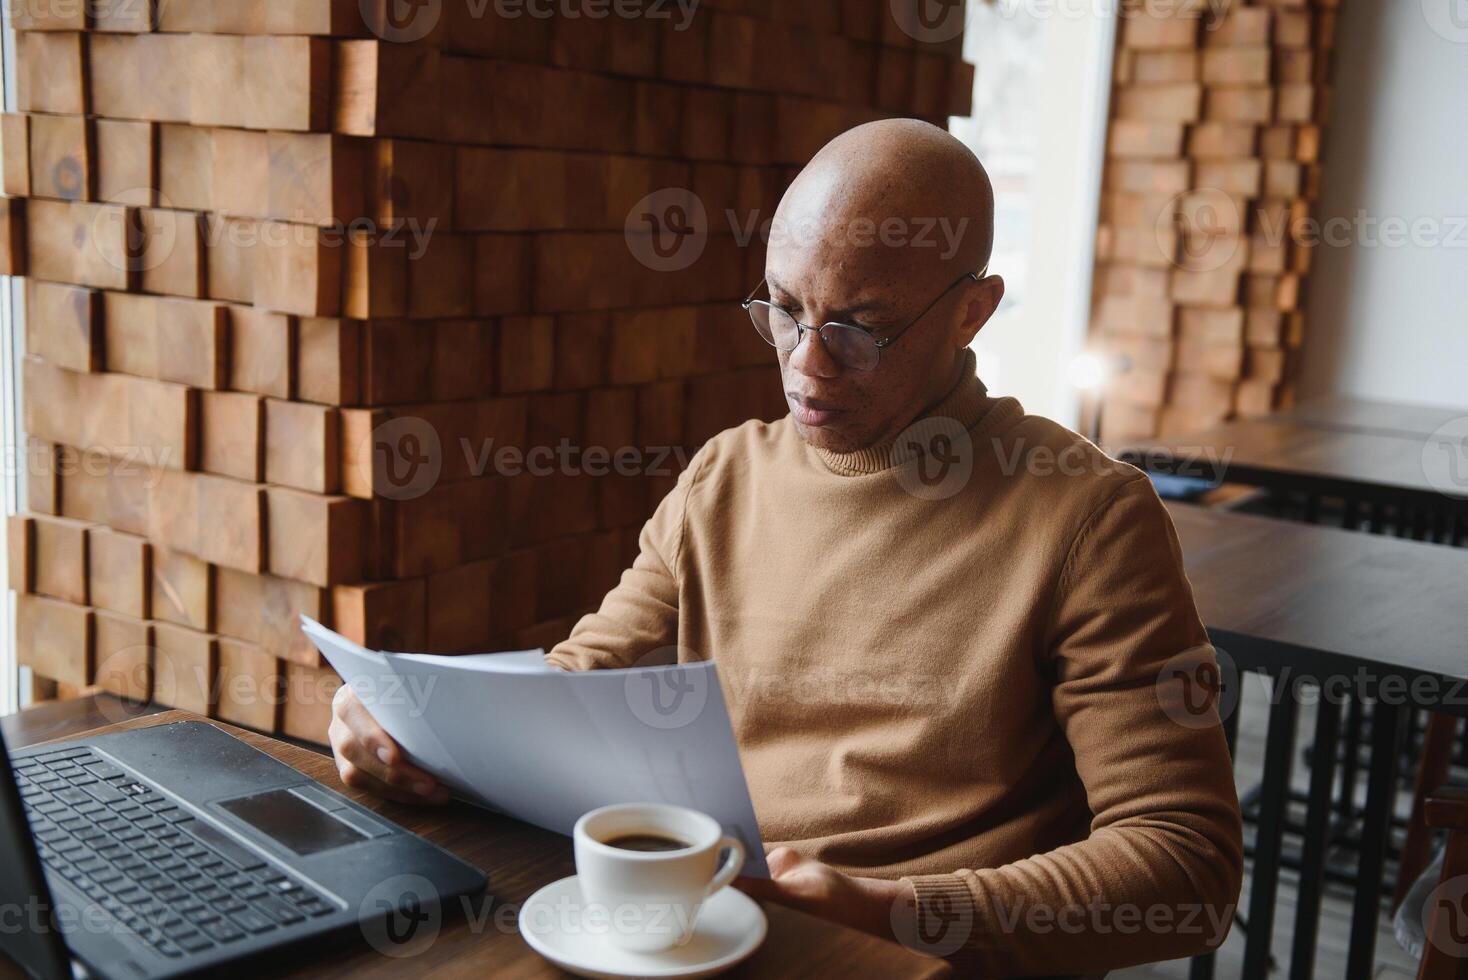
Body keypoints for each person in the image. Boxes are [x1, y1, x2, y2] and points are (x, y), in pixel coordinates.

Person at [330, 119, 1242, 977]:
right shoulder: (724, 479)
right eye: (784, 310)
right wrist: (414, 735)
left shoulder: (1091, 518)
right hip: (708, 937)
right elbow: (574, 686)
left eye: (857, 326)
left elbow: (1186, 868)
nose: (807, 365)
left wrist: (892, 912)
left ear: (973, 311)